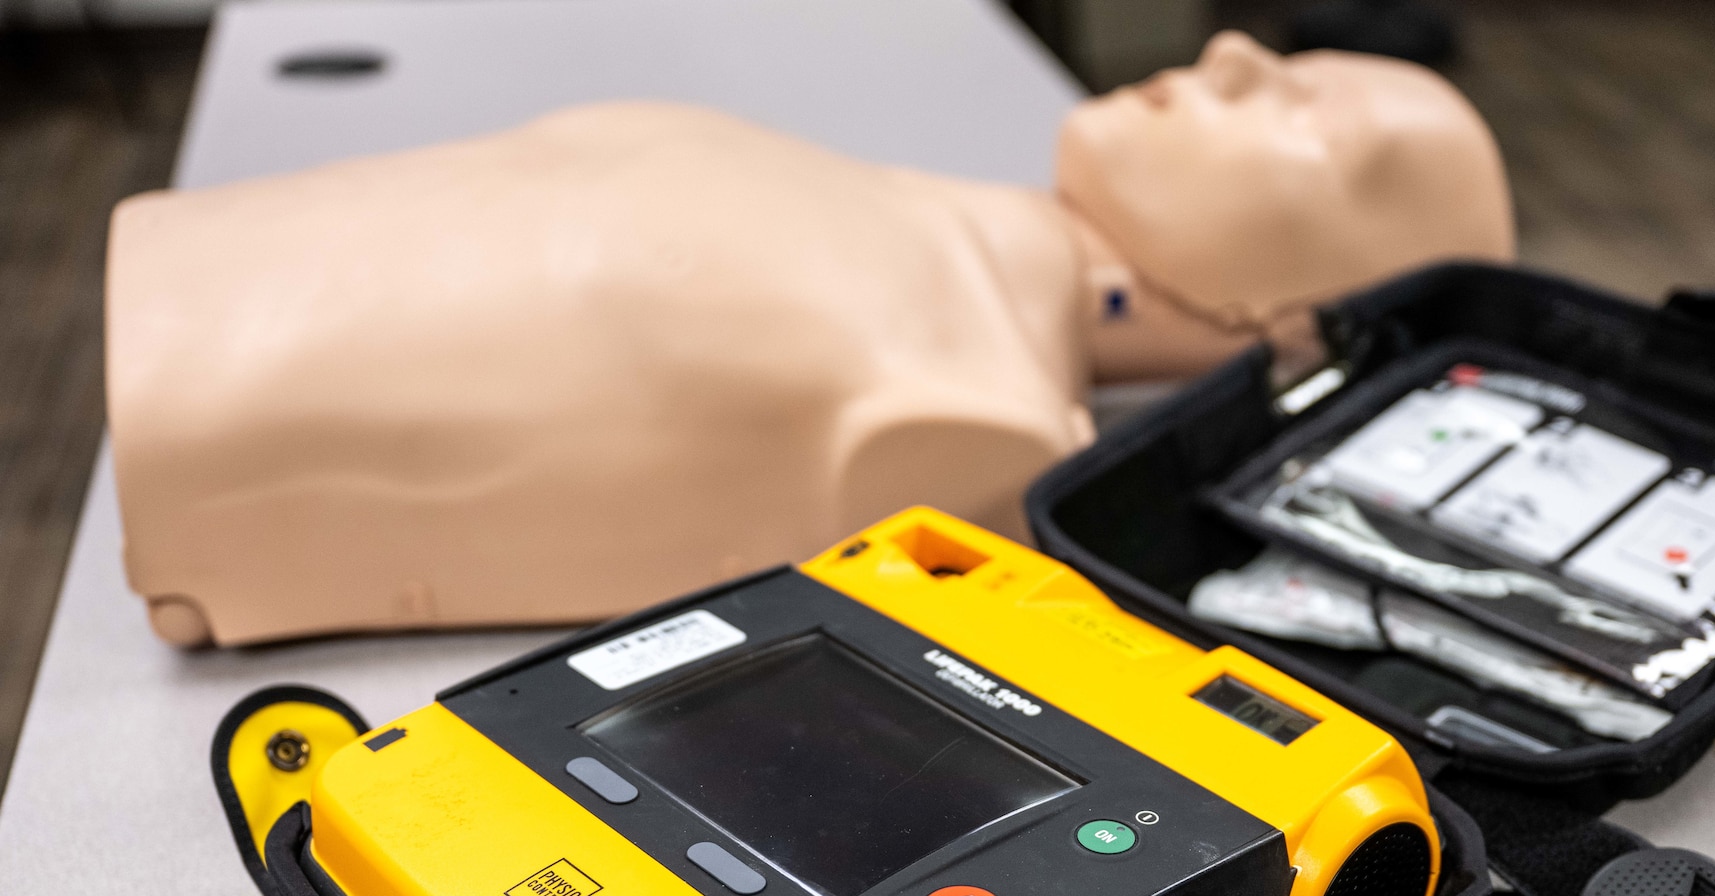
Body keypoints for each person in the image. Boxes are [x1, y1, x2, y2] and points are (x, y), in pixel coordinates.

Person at [106, 31, 1512, 646]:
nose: (1234, 59)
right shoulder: (932, 247)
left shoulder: (964, 424)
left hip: (194, 427)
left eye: (1307, 126)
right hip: (180, 299)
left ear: (1292, 324)